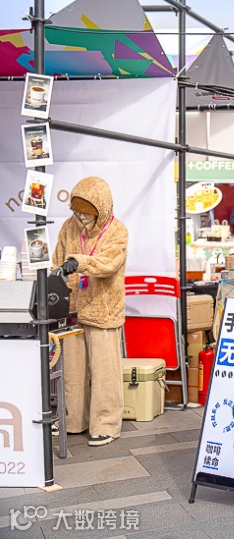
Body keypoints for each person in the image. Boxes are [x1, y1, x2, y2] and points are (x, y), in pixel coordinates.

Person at [51, 177, 129, 447]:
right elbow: (57, 259)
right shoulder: (68, 227)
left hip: (103, 309)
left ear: (101, 208)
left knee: (105, 372)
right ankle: (73, 421)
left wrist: (79, 262)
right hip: (72, 308)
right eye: (77, 210)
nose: (81, 216)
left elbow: (109, 264)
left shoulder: (117, 230)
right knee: (72, 371)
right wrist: (57, 280)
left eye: (87, 211)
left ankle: (106, 425)